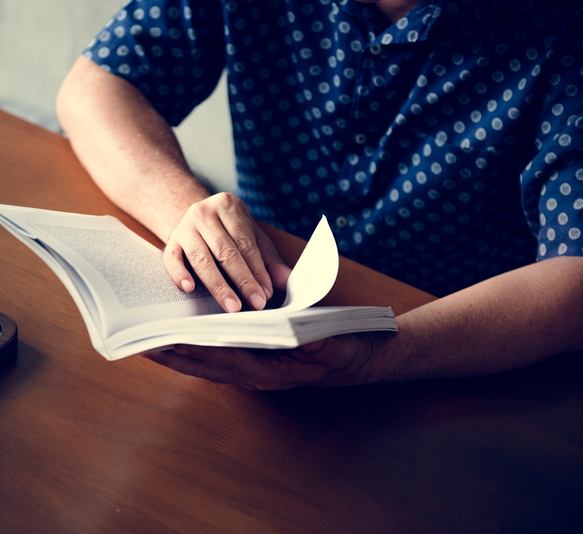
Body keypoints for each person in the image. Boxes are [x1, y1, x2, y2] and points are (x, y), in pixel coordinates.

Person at [56, 0, 583, 389]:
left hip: (461, 357)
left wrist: (373, 358)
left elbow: (575, 275)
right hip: (258, 307)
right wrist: (182, 211)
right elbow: (96, 87)